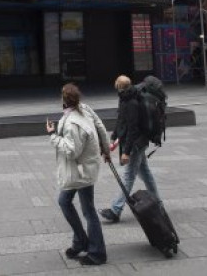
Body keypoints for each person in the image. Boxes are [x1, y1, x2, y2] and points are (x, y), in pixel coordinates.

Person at [47, 83, 110, 266]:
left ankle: (95, 251)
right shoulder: (85, 109)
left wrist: (52, 135)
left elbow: (71, 151)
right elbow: (101, 128)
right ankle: (81, 242)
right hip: (86, 168)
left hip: (79, 171)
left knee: (75, 205)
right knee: (79, 205)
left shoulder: (72, 123)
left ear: (64, 100)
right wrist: (105, 150)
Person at [100, 75, 162, 223]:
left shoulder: (132, 102)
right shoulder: (125, 97)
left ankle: (116, 210)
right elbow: (121, 119)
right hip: (138, 142)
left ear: (118, 86)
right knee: (146, 173)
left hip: (136, 143)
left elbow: (132, 129)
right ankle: (158, 203)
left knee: (128, 176)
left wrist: (126, 152)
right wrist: (114, 136)